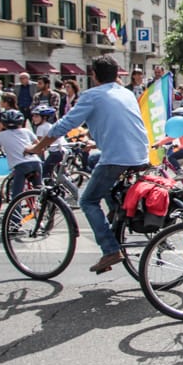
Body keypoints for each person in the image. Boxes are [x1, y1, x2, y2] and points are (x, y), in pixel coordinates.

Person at [26, 55, 151, 274]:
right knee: (94, 160)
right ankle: (115, 209)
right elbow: (118, 122)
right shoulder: (127, 93)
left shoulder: (92, 95)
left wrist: (39, 147)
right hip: (140, 154)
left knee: (87, 201)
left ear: (93, 75)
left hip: (117, 157)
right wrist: (93, 141)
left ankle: (110, 249)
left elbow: (65, 124)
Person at [0, 109, 43, 198]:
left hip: (20, 166)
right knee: (39, 189)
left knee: (17, 194)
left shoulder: (2, 135)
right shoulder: (27, 131)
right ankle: (44, 207)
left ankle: (16, 211)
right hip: (36, 162)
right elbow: (37, 144)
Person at [152, 107, 183, 174]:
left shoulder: (182, 128)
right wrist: (176, 148)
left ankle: (180, 172)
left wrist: (158, 144)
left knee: (171, 157)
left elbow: (171, 137)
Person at [30, 105, 65, 185]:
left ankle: (52, 192)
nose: (33, 118)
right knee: (56, 173)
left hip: (56, 152)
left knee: (45, 172)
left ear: (44, 117)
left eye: (36, 116)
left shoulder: (41, 128)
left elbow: (38, 144)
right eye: (33, 116)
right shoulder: (48, 125)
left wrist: (29, 150)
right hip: (62, 150)